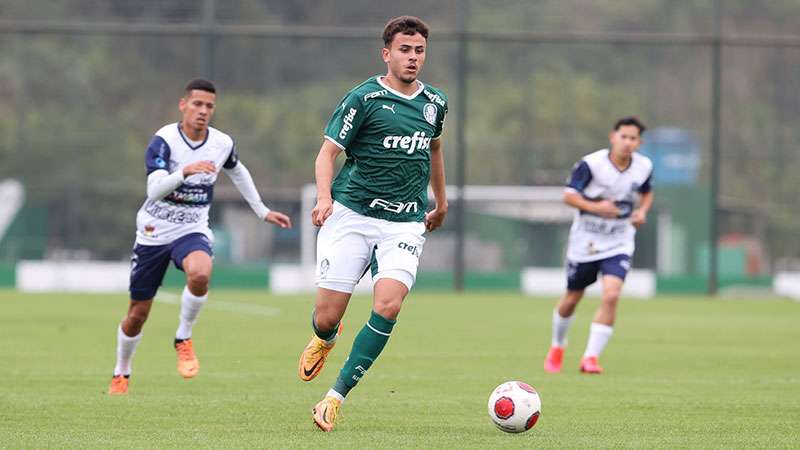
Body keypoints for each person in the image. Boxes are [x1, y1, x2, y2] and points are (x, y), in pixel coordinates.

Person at [297, 16, 449, 431]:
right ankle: (325, 338)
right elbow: (327, 154)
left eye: (419, 50)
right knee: (327, 316)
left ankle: (334, 397)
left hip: (404, 223)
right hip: (351, 215)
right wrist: (324, 198)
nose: (413, 57)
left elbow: (433, 151)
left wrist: (441, 202)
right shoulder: (363, 99)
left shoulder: (435, 102)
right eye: (405, 49)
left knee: (389, 304)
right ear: (387, 53)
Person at [108, 78, 292, 395]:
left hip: (191, 229)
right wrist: (185, 172)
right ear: (183, 105)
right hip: (153, 232)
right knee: (137, 315)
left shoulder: (221, 143)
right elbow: (153, 190)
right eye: (197, 104)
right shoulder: (164, 140)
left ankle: (183, 336)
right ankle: (121, 373)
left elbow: (238, 170)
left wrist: (261, 210)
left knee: (201, 272)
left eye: (209, 106)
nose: (203, 111)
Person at [543, 116, 653, 375]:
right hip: (587, 243)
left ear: (639, 142)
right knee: (572, 299)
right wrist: (596, 207)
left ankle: (590, 358)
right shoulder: (591, 165)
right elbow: (568, 196)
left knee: (612, 294)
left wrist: (642, 211)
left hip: (619, 241)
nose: (627, 143)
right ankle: (558, 346)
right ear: (612, 137)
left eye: (633, 138)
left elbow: (647, 191)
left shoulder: (644, 166)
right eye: (623, 137)